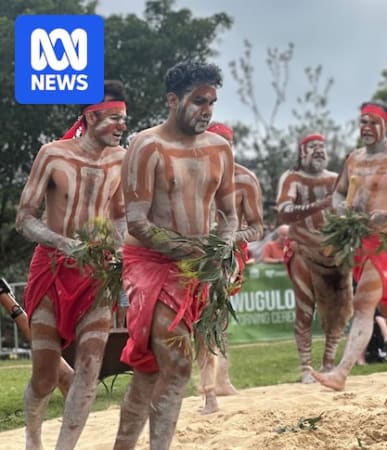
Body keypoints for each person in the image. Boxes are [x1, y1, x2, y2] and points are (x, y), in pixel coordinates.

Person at [113, 62, 237, 450]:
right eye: (198, 101)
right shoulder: (146, 146)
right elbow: (136, 222)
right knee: (180, 363)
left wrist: (223, 248)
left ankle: (122, 446)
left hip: (198, 269)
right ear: (172, 100)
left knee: (150, 373)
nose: (207, 110)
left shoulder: (221, 148)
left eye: (212, 102)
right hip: (150, 265)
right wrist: (192, 249)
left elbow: (230, 215)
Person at [15, 80, 128, 449]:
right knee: (46, 377)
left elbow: (119, 216)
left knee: (90, 367)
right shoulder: (52, 154)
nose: (122, 126)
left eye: (124, 119)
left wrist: (122, 249)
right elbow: (25, 218)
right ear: (92, 116)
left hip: (96, 274)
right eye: (115, 119)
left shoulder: (121, 159)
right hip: (50, 269)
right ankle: (33, 438)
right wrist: (62, 242)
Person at [310, 101, 387, 391]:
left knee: (363, 303)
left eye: (373, 122)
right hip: (361, 241)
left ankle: (341, 373)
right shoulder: (354, 159)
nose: (366, 128)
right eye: (363, 122)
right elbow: (339, 193)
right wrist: (342, 210)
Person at [197, 122, 265, 413]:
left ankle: (217, 383)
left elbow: (257, 227)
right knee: (204, 319)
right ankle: (210, 386)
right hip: (193, 253)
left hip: (227, 255)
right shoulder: (191, 175)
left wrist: (226, 238)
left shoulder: (245, 180)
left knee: (215, 317)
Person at [276, 132, 354, 384]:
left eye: (322, 146)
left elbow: (349, 208)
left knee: (338, 312)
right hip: (304, 250)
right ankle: (306, 367)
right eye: (313, 147)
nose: (319, 150)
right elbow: (284, 213)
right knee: (305, 310)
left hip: (334, 254)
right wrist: (321, 204)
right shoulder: (292, 178)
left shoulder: (335, 179)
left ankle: (329, 363)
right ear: (302, 152)